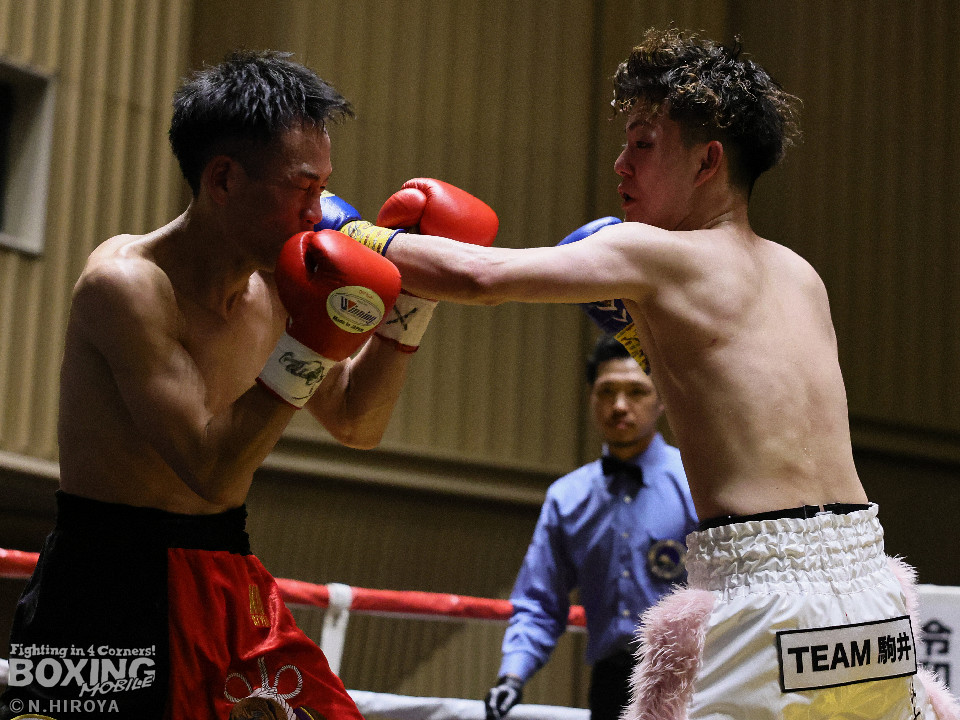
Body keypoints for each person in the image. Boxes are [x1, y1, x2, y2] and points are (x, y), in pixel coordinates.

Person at [331, 27, 960, 720]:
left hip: (765, 597)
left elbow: (482, 277)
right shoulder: (801, 275)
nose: (620, 165)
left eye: (643, 143)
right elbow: (735, 396)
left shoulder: (651, 255)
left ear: (707, 160)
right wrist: (646, 336)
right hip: (871, 593)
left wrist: (347, 233)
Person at [0, 51, 496, 720]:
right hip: (104, 582)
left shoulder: (280, 289)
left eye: (324, 187)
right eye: (303, 188)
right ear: (225, 179)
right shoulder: (126, 286)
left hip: (227, 568)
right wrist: (312, 341)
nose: (319, 211)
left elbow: (358, 422)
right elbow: (208, 468)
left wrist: (412, 302)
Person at [484, 334, 697, 720]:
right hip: (612, 685)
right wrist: (512, 676)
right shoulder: (567, 498)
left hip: (694, 680)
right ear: (590, 398)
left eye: (636, 391)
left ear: (662, 398)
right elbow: (540, 600)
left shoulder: (697, 484)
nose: (620, 406)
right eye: (607, 392)